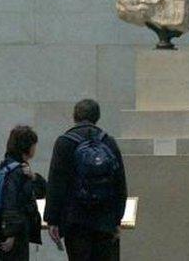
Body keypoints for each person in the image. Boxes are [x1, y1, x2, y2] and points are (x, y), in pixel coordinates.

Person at [44, 99, 127, 261]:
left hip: (75, 219)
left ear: (75, 116)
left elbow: (56, 183)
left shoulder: (64, 142)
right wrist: (117, 218)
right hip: (105, 219)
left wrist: (52, 219)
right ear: (97, 117)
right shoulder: (109, 142)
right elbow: (120, 184)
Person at [0, 125, 47, 260]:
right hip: (15, 232)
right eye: (34, 145)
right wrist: (10, 234)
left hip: (14, 229)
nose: (35, 148)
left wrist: (34, 177)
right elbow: (10, 202)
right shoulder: (17, 171)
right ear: (27, 146)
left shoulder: (11, 167)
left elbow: (42, 191)